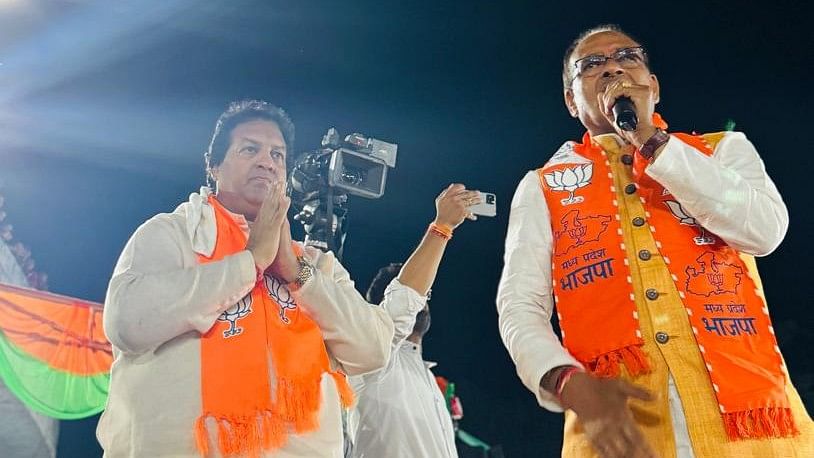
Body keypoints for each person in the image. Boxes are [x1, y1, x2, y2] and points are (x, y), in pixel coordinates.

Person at [497, 25, 813, 458]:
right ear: (571, 101)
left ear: (654, 87)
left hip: (756, 429)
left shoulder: (721, 151)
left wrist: (652, 142)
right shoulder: (543, 186)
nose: (611, 67)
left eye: (628, 57)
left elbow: (763, 231)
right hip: (619, 427)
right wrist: (567, 382)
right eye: (591, 65)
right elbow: (519, 307)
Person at [97, 99, 418, 457]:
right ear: (213, 165)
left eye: (278, 155)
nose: (267, 162)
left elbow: (374, 349)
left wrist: (299, 277)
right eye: (250, 149)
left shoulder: (312, 262)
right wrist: (249, 263)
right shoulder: (174, 234)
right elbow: (127, 323)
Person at [348, 183, 478, 458]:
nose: (422, 301)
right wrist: (442, 226)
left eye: (426, 295)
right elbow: (404, 301)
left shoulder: (427, 376)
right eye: (422, 294)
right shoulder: (374, 360)